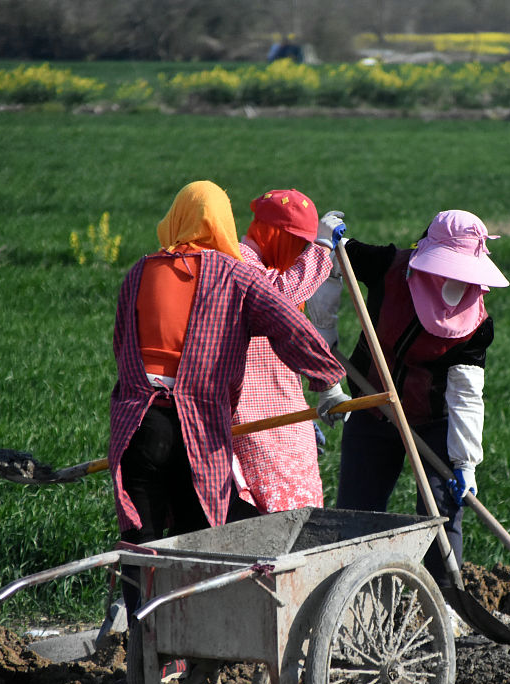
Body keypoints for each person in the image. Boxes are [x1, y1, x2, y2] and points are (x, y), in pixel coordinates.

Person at [108, 180, 349, 614]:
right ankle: (203, 644)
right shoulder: (231, 274)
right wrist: (328, 381)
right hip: (194, 429)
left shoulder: (139, 271)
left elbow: (121, 344)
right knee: (203, 538)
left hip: (135, 427)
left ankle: (150, 658)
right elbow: (290, 325)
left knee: (143, 544)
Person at [310, 209, 508, 589]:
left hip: (432, 421)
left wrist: (465, 462)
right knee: (357, 512)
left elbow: (466, 394)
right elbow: (333, 259)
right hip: (371, 407)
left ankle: (445, 598)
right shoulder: (389, 266)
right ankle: (352, 594)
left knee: (442, 511)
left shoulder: (476, 324)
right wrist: (327, 237)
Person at [231, 189, 344, 512]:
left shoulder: (272, 267)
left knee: (303, 509)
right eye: (298, 242)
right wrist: (322, 250)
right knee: (268, 513)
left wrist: (301, 412)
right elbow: (277, 296)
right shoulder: (239, 262)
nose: (300, 253)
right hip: (249, 417)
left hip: (284, 410)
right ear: (273, 233)